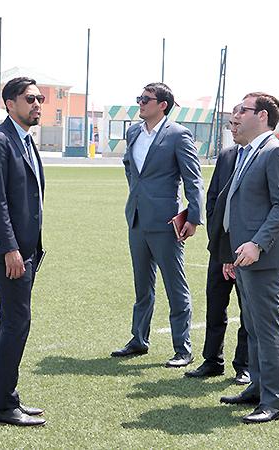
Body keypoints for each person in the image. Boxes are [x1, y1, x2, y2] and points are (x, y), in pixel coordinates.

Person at [208, 92, 279, 424]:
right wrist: (231, 252)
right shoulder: (248, 152)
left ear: (262, 116)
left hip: (262, 256)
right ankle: (257, 387)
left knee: (266, 328)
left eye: (243, 110)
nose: (236, 116)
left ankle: (273, 401)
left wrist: (257, 244)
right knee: (255, 328)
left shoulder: (276, 151)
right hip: (242, 255)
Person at [0, 77, 47, 427]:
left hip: (27, 246)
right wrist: (10, 249)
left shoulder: (26, 140)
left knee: (13, 321)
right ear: (10, 104)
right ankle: (3, 405)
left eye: (40, 98)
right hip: (11, 250)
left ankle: (5, 397)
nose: (37, 104)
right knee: (17, 321)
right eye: (30, 99)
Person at [112, 82, 204, 368]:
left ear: (162, 105)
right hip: (137, 218)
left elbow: (193, 179)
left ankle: (182, 349)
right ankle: (139, 339)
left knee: (175, 287)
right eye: (139, 98)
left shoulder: (178, 135)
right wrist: (137, 195)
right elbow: (130, 167)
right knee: (142, 287)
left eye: (146, 99)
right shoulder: (133, 132)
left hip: (166, 222)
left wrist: (193, 217)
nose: (140, 103)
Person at [185, 108, 249, 384]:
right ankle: (212, 361)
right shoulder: (227, 156)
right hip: (220, 248)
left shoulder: (263, 155)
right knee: (215, 306)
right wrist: (220, 246)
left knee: (248, 312)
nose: (232, 128)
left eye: (237, 124)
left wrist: (237, 250)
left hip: (247, 251)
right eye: (230, 123)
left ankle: (244, 366)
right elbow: (213, 200)